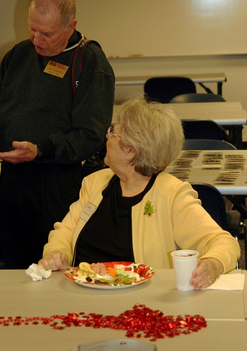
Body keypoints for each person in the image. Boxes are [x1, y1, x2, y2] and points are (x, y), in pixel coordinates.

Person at [0, 0, 115, 268]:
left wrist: (40, 150)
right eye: (32, 29)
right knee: (18, 271)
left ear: (71, 26)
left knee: (57, 272)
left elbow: (91, 135)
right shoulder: (18, 55)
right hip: (12, 184)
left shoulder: (90, 61)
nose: (37, 40)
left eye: (47, 33)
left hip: (60, 186)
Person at [39, 96, 240, 289]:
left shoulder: (171, 194)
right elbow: (64, 231)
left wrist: (213, 263)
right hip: (80, 293)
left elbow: (223, 242)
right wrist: (57, 252)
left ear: (130, 151)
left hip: (141, 304)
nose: (106, 137)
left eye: (112, 132)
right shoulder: (95, 183)